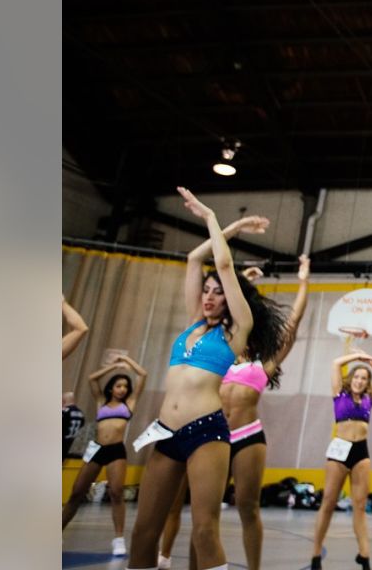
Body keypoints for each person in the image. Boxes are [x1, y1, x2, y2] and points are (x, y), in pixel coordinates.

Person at [123, 195, 287, 570]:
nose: (209, 296)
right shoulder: (195, 322)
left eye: (217, 291)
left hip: (206, 432)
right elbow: (194, 259)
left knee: (204, 531)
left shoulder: (237, 330)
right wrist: (234, 228)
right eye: (206, 290)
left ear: (231, 299)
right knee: (144, 531)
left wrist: (213, 217)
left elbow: (223, 263)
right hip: (166, 432)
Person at [154, 256, 308, 570]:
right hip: (210, 436)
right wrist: (239, 279)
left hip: (247, 436)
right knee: (203, 513)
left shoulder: (262, 365)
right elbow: (222, 305)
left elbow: (291, 327)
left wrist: (304, 281)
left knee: (248, 507)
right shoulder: (218, 356)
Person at [62, 355, 148, 556]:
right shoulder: (101, 402)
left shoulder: (129, 404)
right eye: (119, 386)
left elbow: (142, 375)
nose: (123, 389)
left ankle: (118, 539)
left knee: (117, 493)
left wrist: (127, 359)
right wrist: (113, 366)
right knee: (76, 493)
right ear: (111, 388)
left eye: (125, 386)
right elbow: (92, 378)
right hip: (97, 449)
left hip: (116, 451)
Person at [311, 352, 372, 570]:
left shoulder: (369, 398)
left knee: (360, 506)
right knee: (328, 502)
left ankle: (364, 556)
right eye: (357, 377)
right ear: (350, 379)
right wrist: (359, 356)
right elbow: (335, 363)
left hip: (360, 452)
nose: (360, 381)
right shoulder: (339, 394)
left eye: (364, 378)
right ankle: (316, 553)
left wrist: (371, 362)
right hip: (339, 451)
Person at [63, 391, 86, 460]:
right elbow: (82, 425)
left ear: (64, 400)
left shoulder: (65, 411)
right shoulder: (80, 413)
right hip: (70, 443)